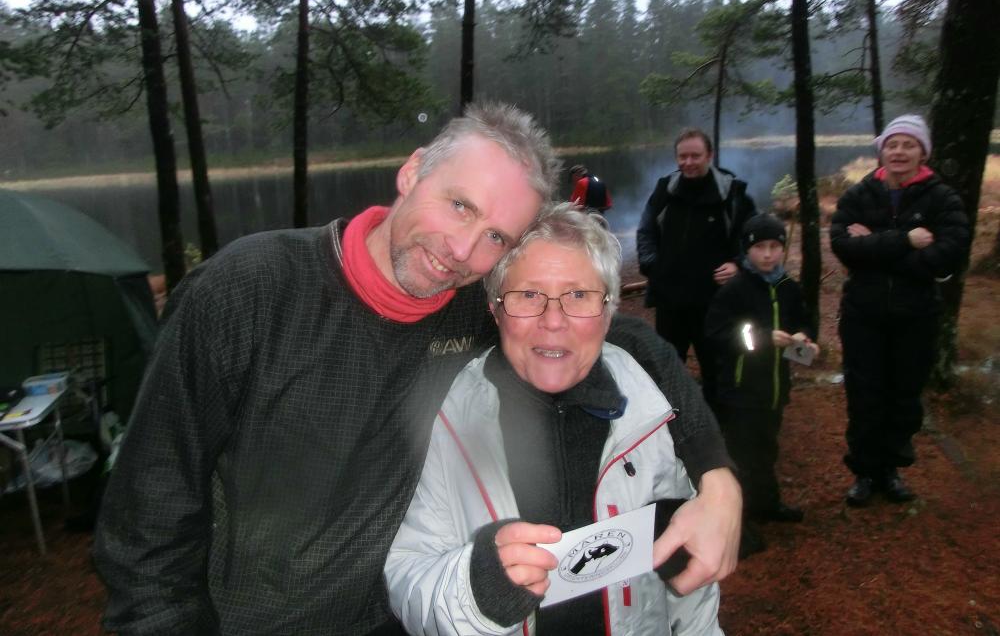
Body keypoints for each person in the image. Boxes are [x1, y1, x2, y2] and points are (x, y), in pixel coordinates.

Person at [93, 103, 741, 636]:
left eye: (495, 237)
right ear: (411, 173)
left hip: (393, 618)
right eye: (459, 205)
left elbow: (619, 337)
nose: (462, 249)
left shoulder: (469, 306)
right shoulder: (248, 291)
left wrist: (718, 481)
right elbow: (149, 519)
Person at [386, 203, 722, 635]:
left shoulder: (653, 410)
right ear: (495, 308)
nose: (553, 321)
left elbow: (692, 590)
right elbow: (408, 578)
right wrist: (476, 589)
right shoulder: (447, 421)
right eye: (528, 295)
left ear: (608, 310)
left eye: (578, 295)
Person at [830, 114, 969, 507]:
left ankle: (890, 470)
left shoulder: (942, 198)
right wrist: (904, 240)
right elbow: (842, 245)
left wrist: (873, 246)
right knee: (864, 394)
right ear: (882, 152)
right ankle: (863, 472)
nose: (899, 151)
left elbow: (948, 254)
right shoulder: (859, 195)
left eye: (909, 144)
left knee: (904, 396)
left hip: (916, 316)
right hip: (863, 315)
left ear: (923, 152)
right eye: (892, 144)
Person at [705, 214, 818, 557]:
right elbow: (718, 334)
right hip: (741, 390)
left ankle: (767, 504)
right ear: (747, 250)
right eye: (759, 248)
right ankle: (736, 522)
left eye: (774, 247)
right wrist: (763, 338)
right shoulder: (735, 290)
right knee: (741, 454)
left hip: (774, 389)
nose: (767, 254)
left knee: (767, 449)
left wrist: (804, 339)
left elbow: (804, 321)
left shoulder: (788, 287)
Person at [637, 128, 757, 411]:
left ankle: (717, 425)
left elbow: (753, 237)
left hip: (715, 302)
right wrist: (653, 265)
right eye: (683, 157)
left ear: (710, 156)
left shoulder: (732, 193)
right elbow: (646, 231)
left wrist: (738, 264)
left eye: (695, 156)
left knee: (716, 368)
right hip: (671, 299)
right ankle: (670, 422)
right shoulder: (666, 189)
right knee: (667, 368)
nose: (688, 162)